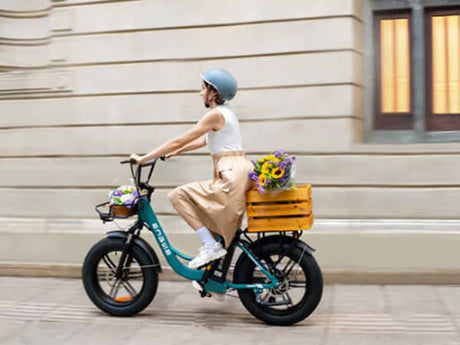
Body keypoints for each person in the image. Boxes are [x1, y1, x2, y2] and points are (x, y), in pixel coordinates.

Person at [130, 68, 253, 269]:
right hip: (236, 172)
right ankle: (213, 280)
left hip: (231, 176)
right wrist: (176, 152)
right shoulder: (226, 114)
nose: (200, 93)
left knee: (179, 195)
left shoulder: (214, 115)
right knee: (208, 215)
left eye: (203, 88)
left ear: (214, 92)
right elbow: (206, 140)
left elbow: (181, 139)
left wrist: (144, 158)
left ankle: (209, 245)